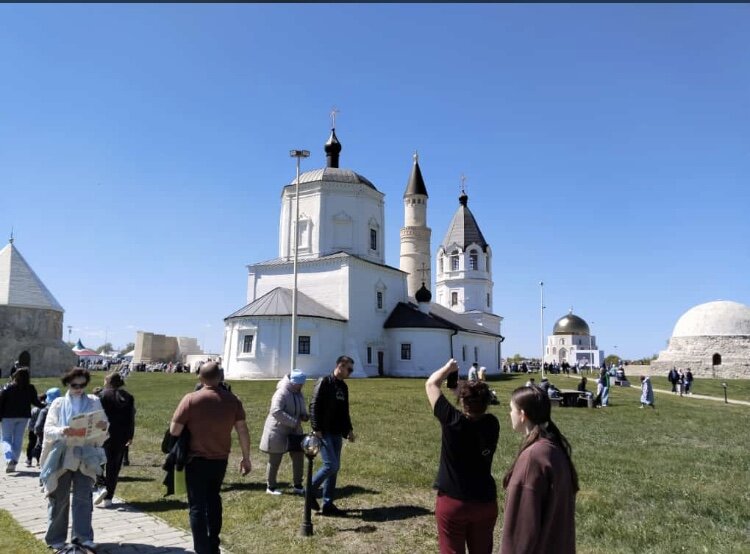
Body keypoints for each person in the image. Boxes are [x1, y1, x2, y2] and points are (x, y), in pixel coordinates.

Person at [169, 361, 252, 554]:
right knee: (213, 500)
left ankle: (201, 548)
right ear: (220, 377)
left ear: (200, 377)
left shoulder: (190, 399)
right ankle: (213, 543)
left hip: (195, 459)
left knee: (197, 505)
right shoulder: (233, 400)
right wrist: (246, 457)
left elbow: (174, 430)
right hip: (220, 459)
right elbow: (242, 431)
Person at [425, 359, 499, 553]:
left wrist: (449, 368)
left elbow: (431, 384)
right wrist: (463, 395)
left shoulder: (452, 421)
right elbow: (475, 412)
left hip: (453, 501)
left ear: (463, 402)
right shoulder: (492, 424)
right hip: (484, 501)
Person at [501, 386, 579, 554]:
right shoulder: (553, 447)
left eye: (511, 409)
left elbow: (520, 531)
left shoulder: (533, 458)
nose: (510, 414)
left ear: (522, 415)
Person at [41, 368, 108, 550]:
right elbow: (48, 429)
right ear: (67, 384)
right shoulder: (58, 403)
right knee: (59, 498)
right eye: (75, 385)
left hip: (85, 454)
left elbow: (103, 424)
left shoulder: (94, 401)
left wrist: (103, 426)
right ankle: (55, 537)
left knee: (83, 498)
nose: (79, 388)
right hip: (63, 454)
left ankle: (82, 536)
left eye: (82, 385)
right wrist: (63, 430)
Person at [309, 355, 356, 516]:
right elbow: (314, 405)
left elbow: (345, 411)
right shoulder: (324, 382)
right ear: (340, 366)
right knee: (331, 465)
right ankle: (309, 491)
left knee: (334, 469)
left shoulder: (343, 387)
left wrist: (348, 430)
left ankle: (328, 504)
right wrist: (316, 428)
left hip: (337, 432)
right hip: (324, 431)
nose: (351, 372)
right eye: (349, 369)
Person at [259, 369, 309, 495]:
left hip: (295, 431)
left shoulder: (299, 393)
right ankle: (271, 487)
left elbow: (301, 408)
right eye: (300, 384)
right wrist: (293, 422)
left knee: (298, 457)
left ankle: (298, 485)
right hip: (277, 430)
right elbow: (276, 411)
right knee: (275, 459)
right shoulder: (281, 393)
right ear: (293, 382)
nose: (301, 386)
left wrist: (304, 415)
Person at [94, 372, 136, 508]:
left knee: (98, 461)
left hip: (102, 433)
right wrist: (130, 435)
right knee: (114, 466)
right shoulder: (128, 397)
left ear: (108, 381)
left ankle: (101, 486)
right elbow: (131, 418)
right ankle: (109, 498)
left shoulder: (101, 395)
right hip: (121, 435)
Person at [0, 367, 44, 472]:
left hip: (8, 417)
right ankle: (14, 461)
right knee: (18, 439)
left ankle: (9, 458)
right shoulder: (30, 388)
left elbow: (0, 402)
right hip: (23, 417)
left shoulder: (8, 387)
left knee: (6, 439)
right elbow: (36, 402)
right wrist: (45, 406)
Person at [25, 393, 47, 467]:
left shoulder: (35, 409)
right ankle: (39, 461)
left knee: (31, 444)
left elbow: (31, 420)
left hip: (33, 429)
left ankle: (29, 460)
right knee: (40, 445)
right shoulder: (47, 407)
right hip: (42, 429)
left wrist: (29, 428)